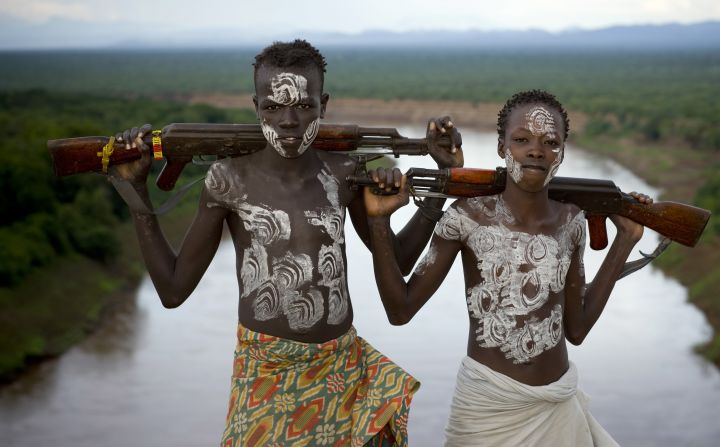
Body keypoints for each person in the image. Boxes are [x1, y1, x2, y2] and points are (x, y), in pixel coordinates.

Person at [111, 39, 463, 447]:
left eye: (303, 105)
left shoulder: (345, 174)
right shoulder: (228, 181)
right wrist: (137, 193)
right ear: (256, 106)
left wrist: (441, 183)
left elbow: (398, 260)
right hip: (265, 375)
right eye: (273, 107)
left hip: (339, 372)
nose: (289, 120)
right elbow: (172, 291)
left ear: (323, 104)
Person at [363, 89, 652, 446]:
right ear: (502, 147)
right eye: (521, 140)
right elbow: (400, 309)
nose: (536, 150)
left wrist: (624, 242)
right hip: (486, 411)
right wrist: (378, 222)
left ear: (562, 152)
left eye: (551, 142)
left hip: (555, 406)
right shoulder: (466, 218)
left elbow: (576, 330)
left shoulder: (571, 222)